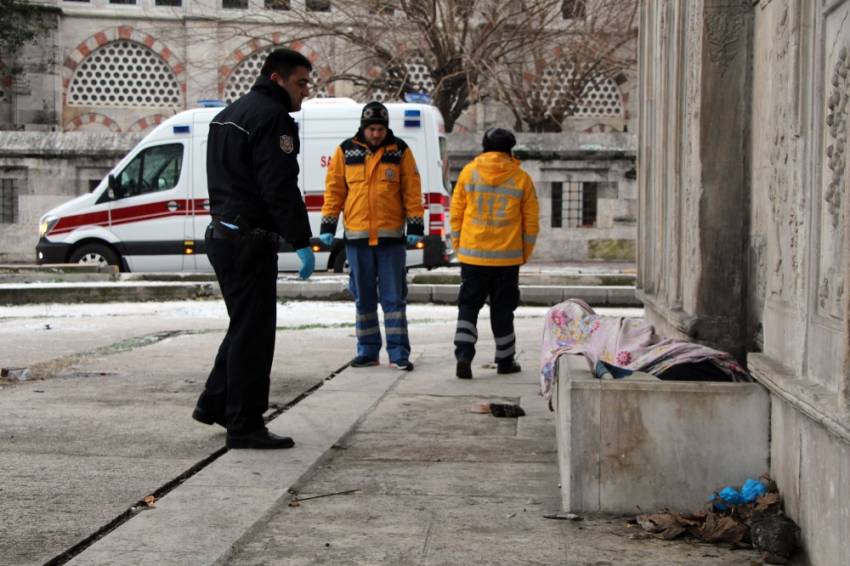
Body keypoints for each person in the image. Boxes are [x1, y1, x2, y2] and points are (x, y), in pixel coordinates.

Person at [192, 48, 315, 449]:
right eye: (301, 83)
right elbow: (279, 185)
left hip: (223, 235)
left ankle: (215, 403)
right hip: (249, 241)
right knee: (255, 335)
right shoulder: (271, 118)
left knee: (243, 326)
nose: (306, 92)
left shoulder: (228, 114)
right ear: (277, 79)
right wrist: (301, 239)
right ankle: (244, 424)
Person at [319, 101, 424, 371]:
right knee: (363, 298)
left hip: (391, 240)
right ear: (363, 128)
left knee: (393, 299)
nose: (376, 133)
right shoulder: (345, 151)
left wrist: (414, 227)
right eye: (372, 129)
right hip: (357, 240)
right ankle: (367, 351)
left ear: (386, 128)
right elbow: (335, 191)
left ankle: (399, 353)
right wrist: (328, 227)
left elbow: (411, 190)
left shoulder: (400, 151)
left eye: (380, 129)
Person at [450, 127, 540, 380]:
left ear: (484, 147)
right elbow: (531, 223)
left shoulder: (469, 173)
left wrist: (459, 245)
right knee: (503, 309)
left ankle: (464, 356)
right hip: (507, 258)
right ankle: (505, 359)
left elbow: (456, 213)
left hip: (473, 255)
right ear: (510, 149)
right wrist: (524, 252)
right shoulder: (521, 178)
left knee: (468, 306)